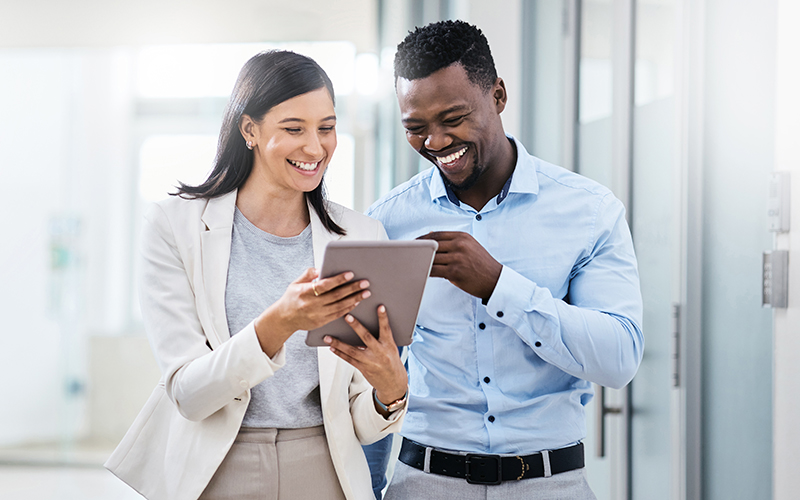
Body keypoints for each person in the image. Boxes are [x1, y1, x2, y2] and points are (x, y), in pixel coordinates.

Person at [105, 50, 409, 500]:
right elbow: (189, 393)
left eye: (327, 127)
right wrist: (280, 322)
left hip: (325, 467)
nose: (315, 147)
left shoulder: (361, 236)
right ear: (249, 129)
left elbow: (361, 423)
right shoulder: (175, 226)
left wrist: (391, 391)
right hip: (217, 466)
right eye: (293, 129)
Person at [364, 20, 644, 499]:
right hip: (425, 482)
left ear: (497, 96)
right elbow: (367, 370)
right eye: (416, 128)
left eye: (452, 119)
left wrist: (498, 285)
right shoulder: (387, 223)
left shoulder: (589, 210)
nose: (434, 142)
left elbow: (618, 359)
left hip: (551, 483)